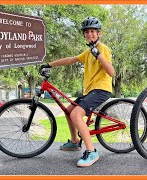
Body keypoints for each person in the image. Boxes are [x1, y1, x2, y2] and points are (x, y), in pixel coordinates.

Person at [39, 16, 114, 167]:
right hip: (90, 91)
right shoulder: (87, 52)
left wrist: (98, 55)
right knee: (68, 111)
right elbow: (70, 60)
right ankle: (74, 142)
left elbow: (111, 72)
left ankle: (92, 152)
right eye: (87, 32)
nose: (90, 34)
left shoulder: (103, 49)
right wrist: (49, 64)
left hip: (101, 90)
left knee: (76, 114)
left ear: (99, 33)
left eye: (93, 31)